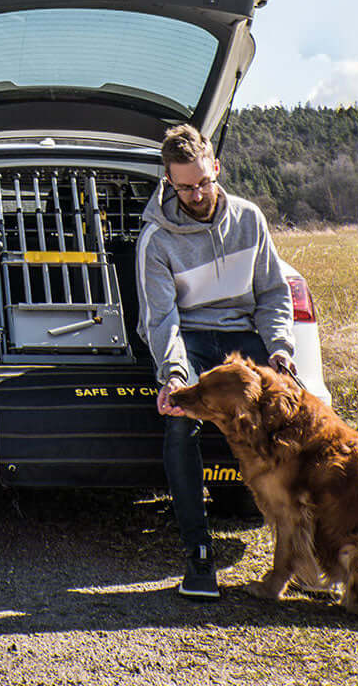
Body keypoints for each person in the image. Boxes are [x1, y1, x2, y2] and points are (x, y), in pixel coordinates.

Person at [135, 124, 296, 600]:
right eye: (185, 186)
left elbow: (272, 294)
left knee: (295, 421)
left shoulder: (250, 219)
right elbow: (161, 321)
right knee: (181, 424)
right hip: (193, 340)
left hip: (247, 337)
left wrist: (281, 350)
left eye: (203, 181)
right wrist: (175, 375)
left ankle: (302, 553)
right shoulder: (156, 241)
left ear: (216, 168)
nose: (197, 193)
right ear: (168, 181)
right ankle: (199, 554)